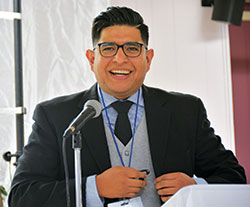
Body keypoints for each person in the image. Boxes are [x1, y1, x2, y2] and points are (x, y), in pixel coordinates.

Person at [8, 6, 246, 207]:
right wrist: (95, 187)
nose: (120, 59)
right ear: (92, 59)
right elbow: (21, 195)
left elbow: (234, 179)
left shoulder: (185, 111)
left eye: (132, 49)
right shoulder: (56, 116)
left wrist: (195, 188)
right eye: (108, 48)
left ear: (148, 59)